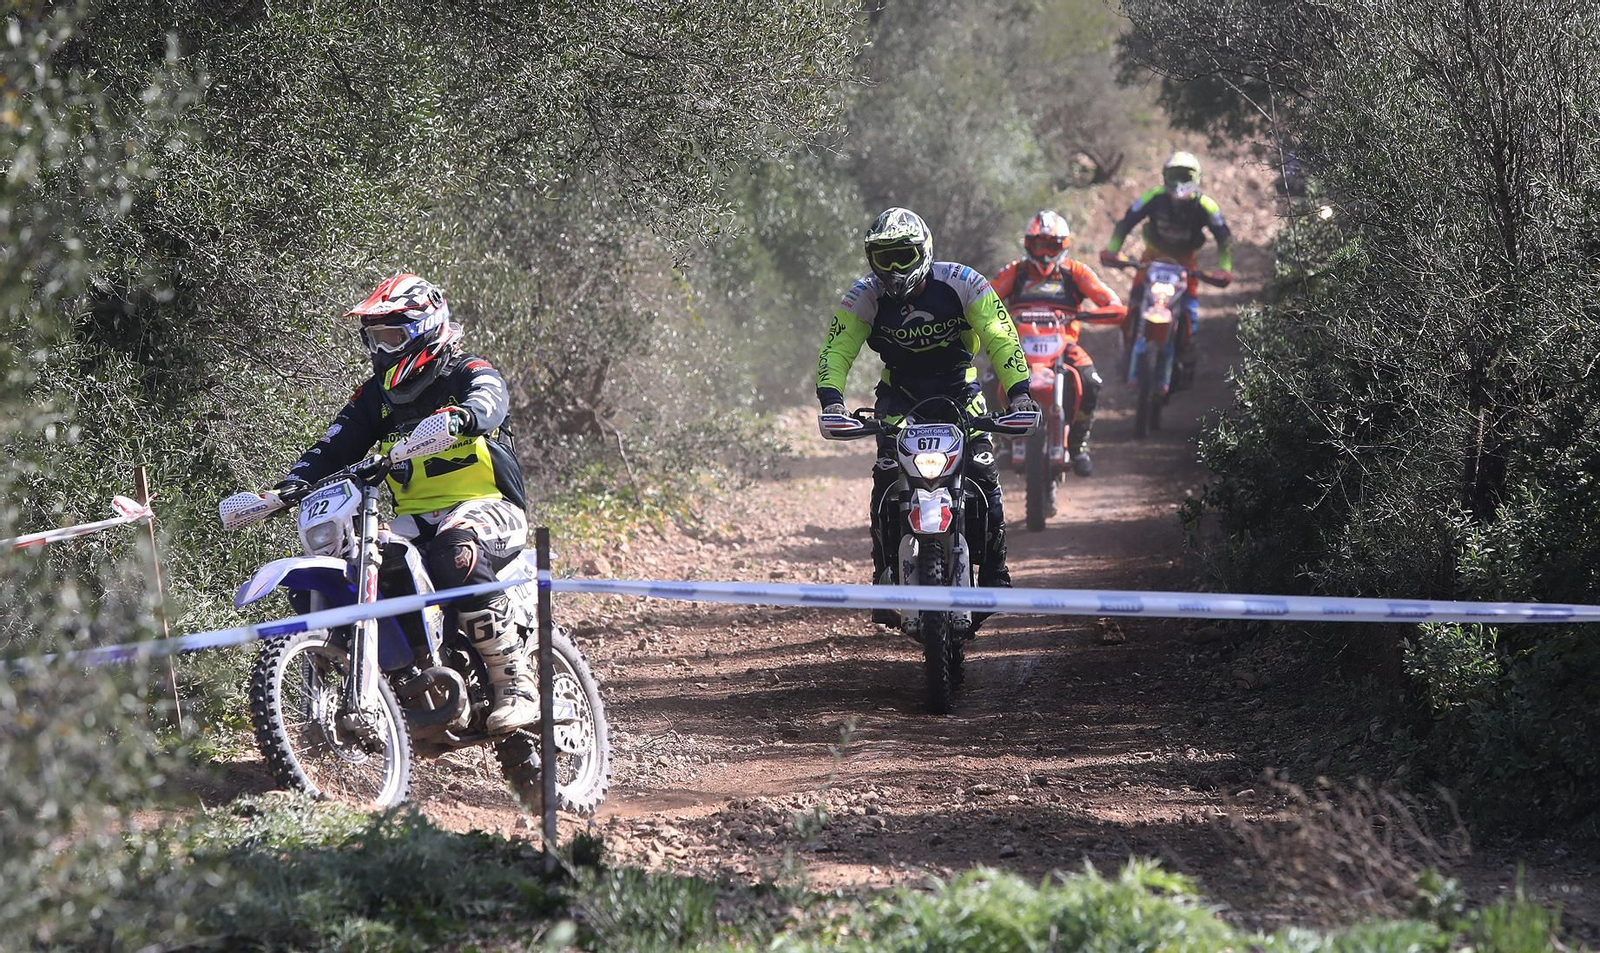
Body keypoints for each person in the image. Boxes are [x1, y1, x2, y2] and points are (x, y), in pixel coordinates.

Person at [274, 274, 537, 734]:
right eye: (375, 338)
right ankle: (405, 676)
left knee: (456, 550)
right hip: (417, 521)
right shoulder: (376, 395)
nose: (382, 349)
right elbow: (333, 446)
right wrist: (288, 486)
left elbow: (490, 401)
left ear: (426, 327)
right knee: (367, 560)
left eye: (392, 336)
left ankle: (515, 681)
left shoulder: (468, 371)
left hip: (488, 506)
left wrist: (462, 416)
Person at [816, 207, 1035, 626]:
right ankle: (883, 580)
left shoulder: (962, 282)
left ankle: (995, 573)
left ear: (924, 251)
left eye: (904, 255)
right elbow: (837, 349)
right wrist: (832, 402)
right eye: (885, 258)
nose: (895, 268)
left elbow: (1000, 336)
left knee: (986, 473)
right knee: (885, 479)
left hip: (959, 389)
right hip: (899, 396)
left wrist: (1021, 394)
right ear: (871, 259)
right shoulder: (864, 295)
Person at [990, 210, 1125, 477]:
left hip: (1063, 345)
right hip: (1018, 344)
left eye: (1051, 246)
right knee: (989, 379)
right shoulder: (1015, 272)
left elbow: (1113, 305)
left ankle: (1077, 444)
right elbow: (984, 299)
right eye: (1039, 245)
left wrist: (1088, 314)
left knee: (1091, 380)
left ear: (1062, 246)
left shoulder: (1075, 272)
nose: (1044, 253)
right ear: (1029, 244)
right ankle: (1003, 441)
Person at [1100, 151, 1235, 382]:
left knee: (1190, 306)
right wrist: (1113, 250)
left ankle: (1186, 350)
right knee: (1135, 299)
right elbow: (1126, 222)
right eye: (1174, 176)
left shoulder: (1207, 206)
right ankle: (1128, 348)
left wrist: (1224, 267)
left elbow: (1224, 237)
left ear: (1197, 178)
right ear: (1164, 177)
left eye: (1185, 176)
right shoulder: (1152, 197)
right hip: (1153, 256)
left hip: (1185, 260)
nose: (1180, 183)